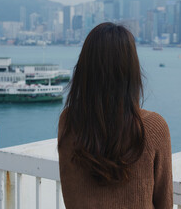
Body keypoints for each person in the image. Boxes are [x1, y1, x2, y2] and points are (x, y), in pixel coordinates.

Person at [58, 22, 173, 208]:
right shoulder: (153, 128)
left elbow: (70, 192)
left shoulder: (68, 121)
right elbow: (164, 203)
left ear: (85, 69)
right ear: (131, 70)